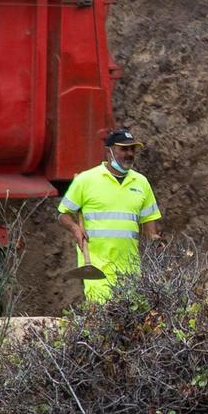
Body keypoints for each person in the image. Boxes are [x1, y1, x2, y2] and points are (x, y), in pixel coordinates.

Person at [58, 128, 161, 303]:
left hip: (131, 270)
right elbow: (62, 214)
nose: (129, 154)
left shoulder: (141, 183)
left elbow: (149, 222)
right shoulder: (86, 180)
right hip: (97, 268)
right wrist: (75, 228)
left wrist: (155, 241)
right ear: (109, 151)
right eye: (123, 149)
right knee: (103, 319)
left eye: (132, 149)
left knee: (128, 322)